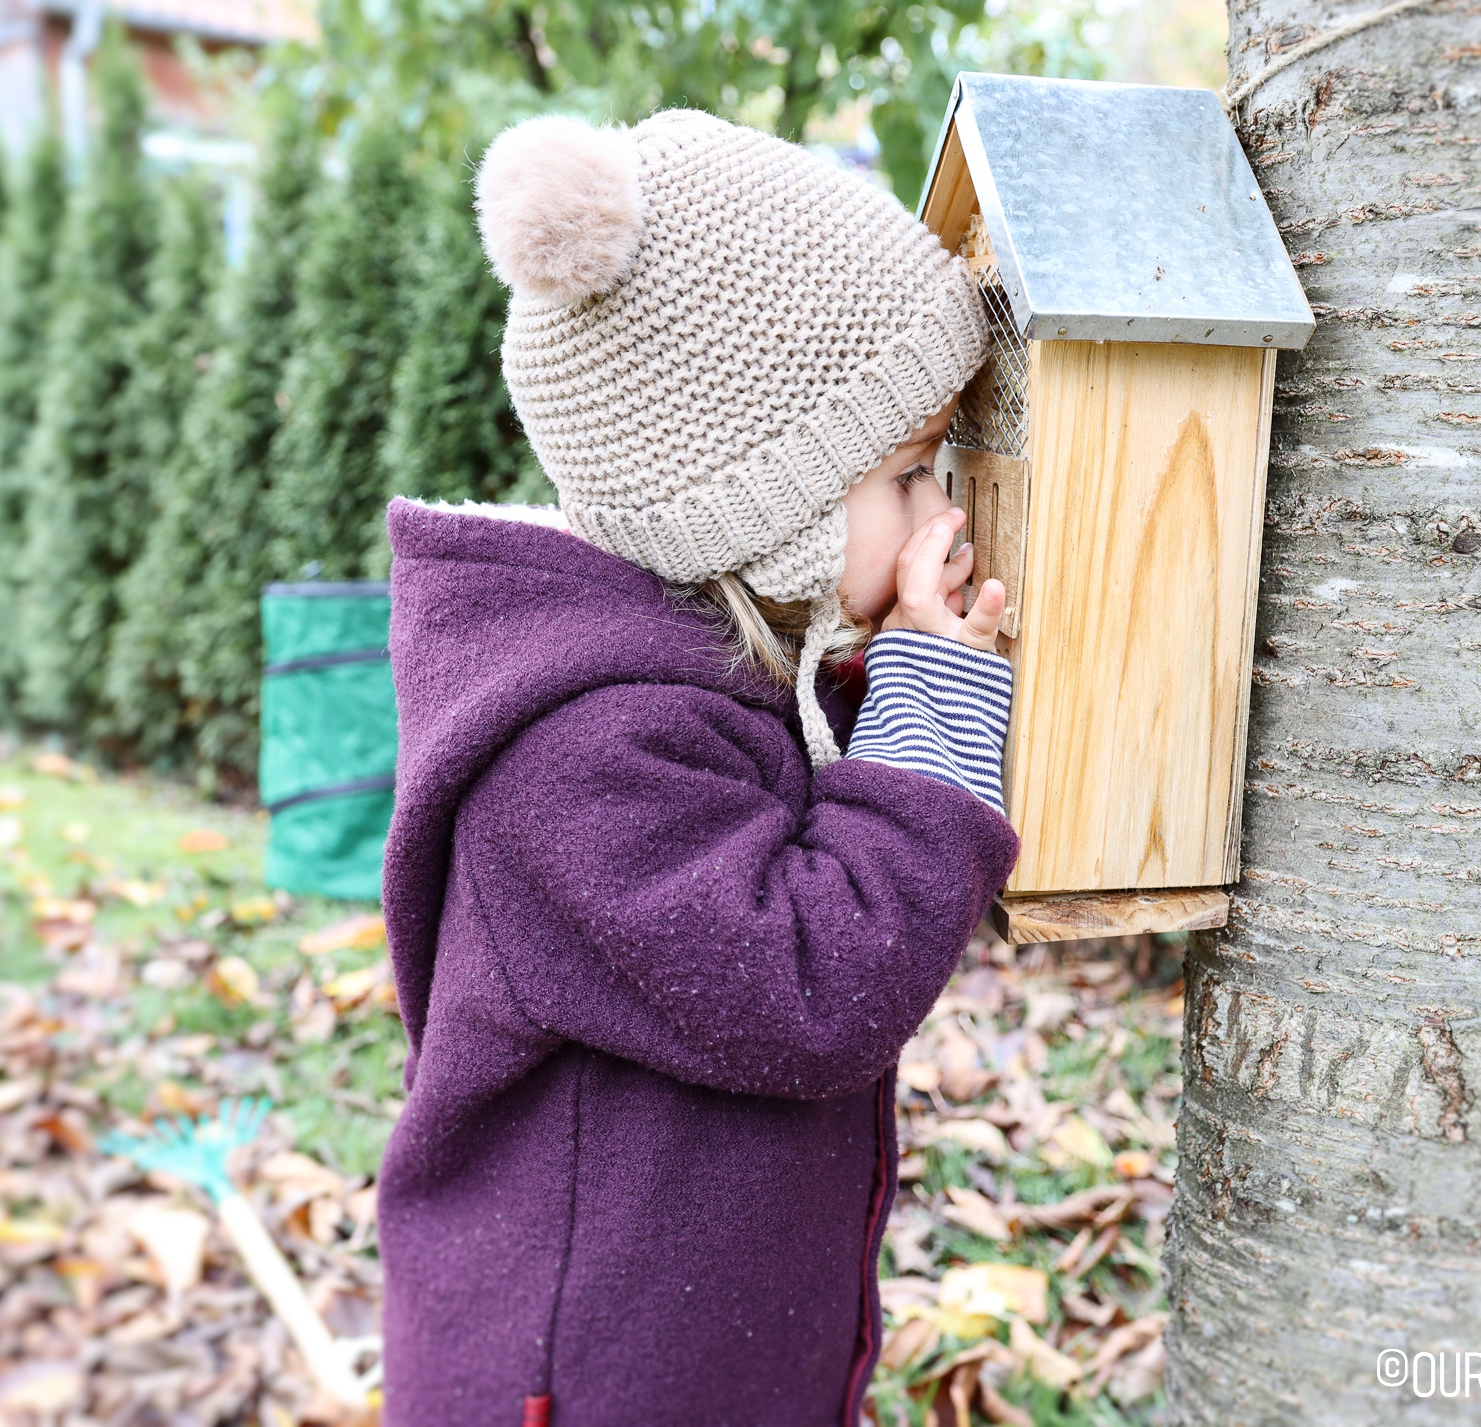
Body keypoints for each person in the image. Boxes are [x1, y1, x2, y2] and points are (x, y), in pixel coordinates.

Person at [377, 107, 1019, 1426]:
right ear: (765, 508)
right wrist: (935, 699)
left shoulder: (677, 687)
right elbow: (814, 982)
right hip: (583, 1386)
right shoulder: (584, 753)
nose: (940, 515)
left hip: (694, 1355)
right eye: (907, 474)